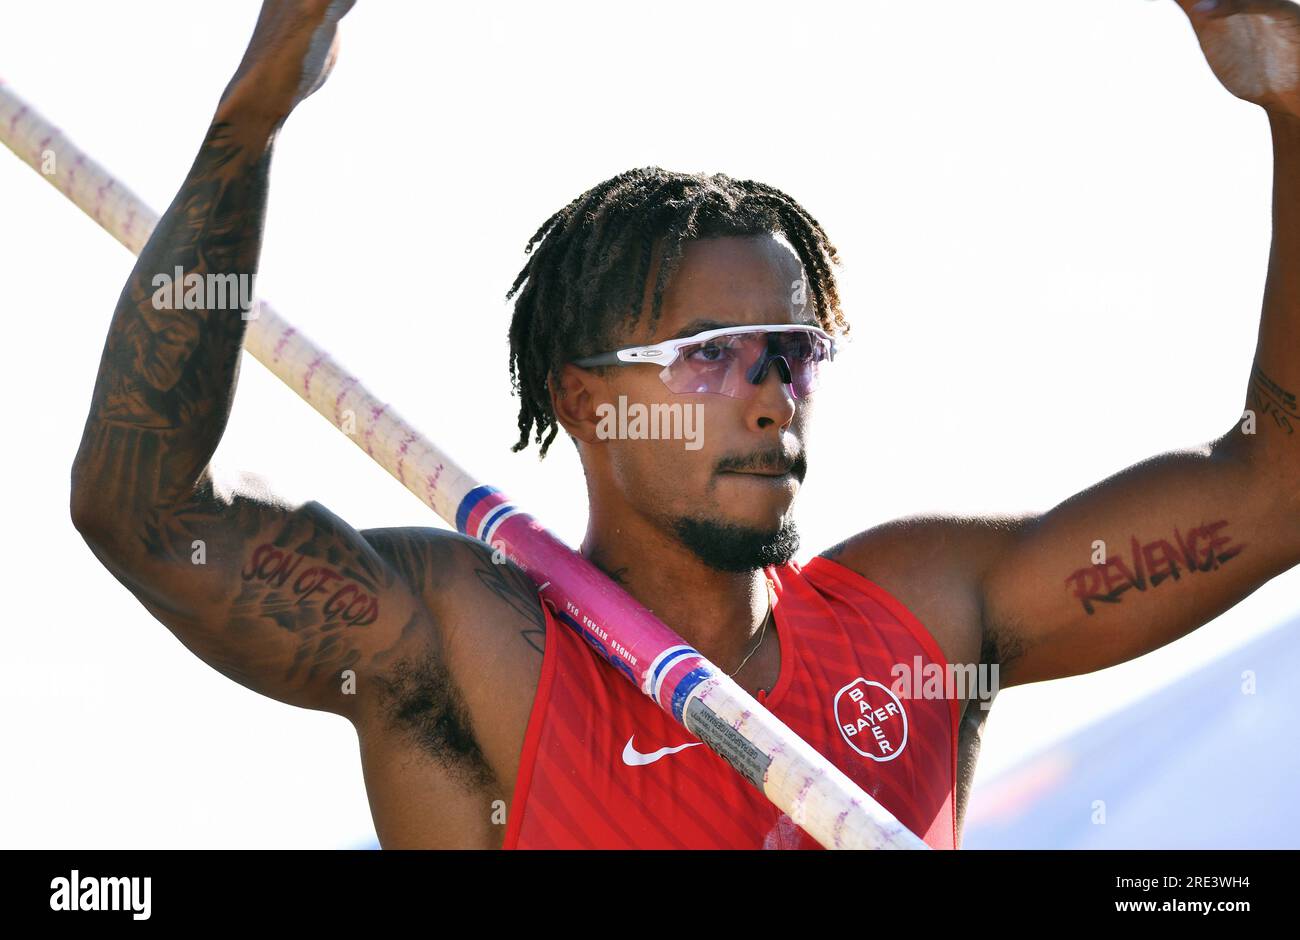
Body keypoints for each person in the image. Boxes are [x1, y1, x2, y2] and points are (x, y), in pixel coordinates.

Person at [70, 0, 1300, 849]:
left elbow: (1278, 488)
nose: (771, 390)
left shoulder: (920, 617)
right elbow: (144, 511)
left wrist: (1294, 114)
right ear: (583, 396)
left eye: (792, 351)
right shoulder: (477, 648)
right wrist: (248, 128)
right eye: (709, 357)